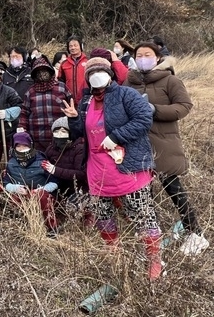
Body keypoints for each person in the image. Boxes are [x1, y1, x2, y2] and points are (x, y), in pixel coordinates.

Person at [63, 56, 163, 280]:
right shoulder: (86, 101)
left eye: (102, 71)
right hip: (97, 169)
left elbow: (144, 117)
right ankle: (113, 250)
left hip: (128, 166)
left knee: (142, 213)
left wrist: (116, 136)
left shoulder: (126, 94)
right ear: (87, 79)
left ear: (110, 74)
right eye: (92, 72)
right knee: (102, 213)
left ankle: (154, 258)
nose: (97, 75)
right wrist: (72, 119)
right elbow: (80, 132)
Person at [125, 42, 209, 255]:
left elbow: (184, 106)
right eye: (139, 55)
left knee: (173, 187)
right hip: (137, 144)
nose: (143, 58)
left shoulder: (170, 80)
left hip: (163, 142)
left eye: (148, 55)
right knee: (142, 191)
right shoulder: (129, 82)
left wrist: (155, 109)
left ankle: (195, 233)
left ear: (158, 58)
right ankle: (150, 231)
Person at [3, 131, 59, 237]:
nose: (22, 149)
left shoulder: (42, 161)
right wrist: (15, 188)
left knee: (42, 196)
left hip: (41, 193)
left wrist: (42, 189)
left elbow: (55, 182)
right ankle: (20, 228)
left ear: (31, 145)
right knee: (14, 198)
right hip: (23, 193)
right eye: (18, 146)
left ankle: (52, 228)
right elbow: (6, 183)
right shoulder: (11, 163)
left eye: (25, 146)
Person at [18, 56, 72, 152]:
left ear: (50, 71)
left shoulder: (62, 88)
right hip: (37, 138)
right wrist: (21, 131)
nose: (42, 74)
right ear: (34, 74)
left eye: (44, 70)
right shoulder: (30, 92)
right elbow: (24, 114)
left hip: (61, 137)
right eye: (38, 71)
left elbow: (72, 108)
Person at [58, 35, 88, 104]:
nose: (73, 48)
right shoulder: (64, 64)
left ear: (80, 46)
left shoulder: (88, 61)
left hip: (85, 98)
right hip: (69, 99)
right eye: (70, 46)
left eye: (75, 45)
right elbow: (61, 82)